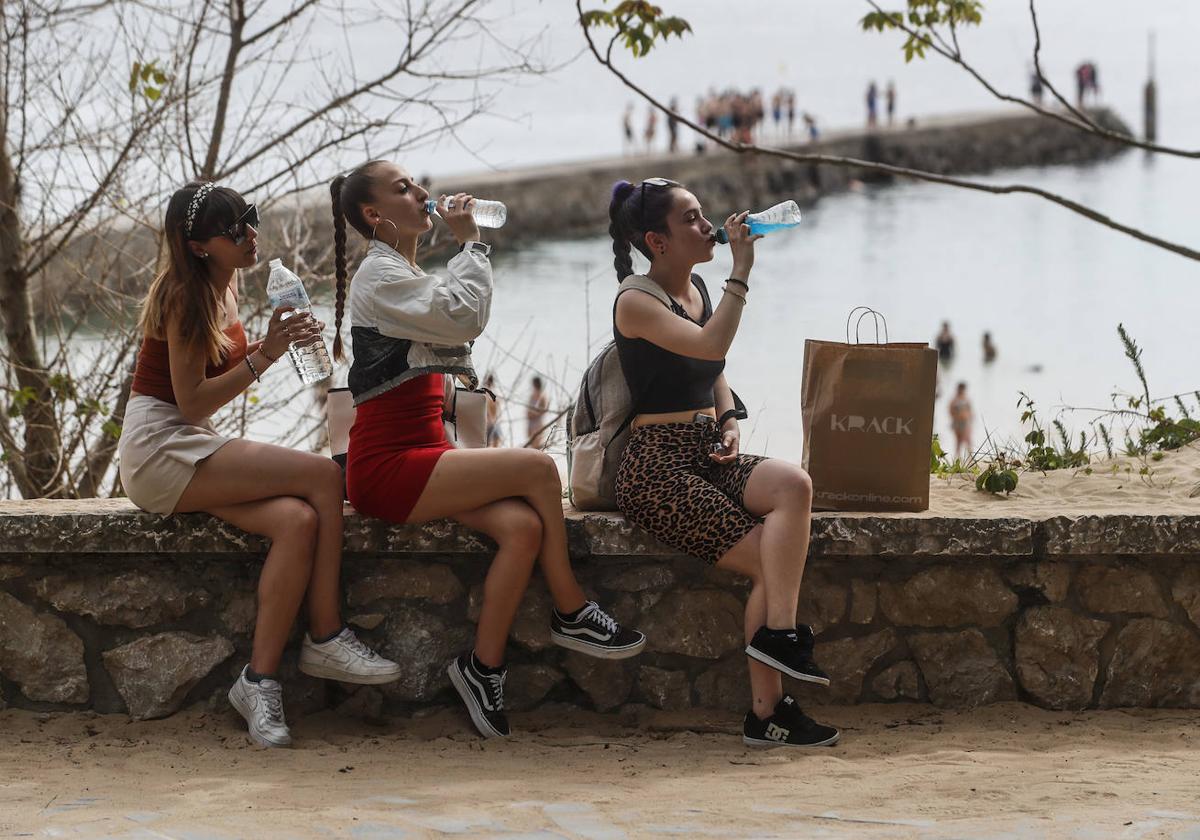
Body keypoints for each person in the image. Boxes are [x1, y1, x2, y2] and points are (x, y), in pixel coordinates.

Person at [329, 161, 646, 739]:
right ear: (374, 216)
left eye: (415, 183)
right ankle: (571, 608)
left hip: (427, 457)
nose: (422, 193)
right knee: (535, 467)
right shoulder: (379, 278)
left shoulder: (400, 270)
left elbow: (450, 326)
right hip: (389, 466)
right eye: (403, 189)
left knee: (523, 530)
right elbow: (463, 317)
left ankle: (482, 667)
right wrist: (471, 242)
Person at [118, 181, 400, 749]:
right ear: (199, 246)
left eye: (251, 217)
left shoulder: (223, 286)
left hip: (187, 441)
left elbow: (204, 401)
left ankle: (258, 682)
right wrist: (268, 352)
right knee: (323, 475)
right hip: (159, 445)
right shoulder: (182, 295)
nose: (251, 233)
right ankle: (326, 633)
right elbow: (191, 400)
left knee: (296, 522)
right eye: (234, 229)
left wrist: (282, 341)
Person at [607, 177, 839, 748]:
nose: (706, 224)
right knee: (770, 559)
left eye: (701, 212)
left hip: (706, 451)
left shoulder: (699, 290)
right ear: (657, 242)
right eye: (690, 218)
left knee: (794, 484)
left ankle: (778, 650)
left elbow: (711, 370)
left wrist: (729, 418)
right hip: (656, 470)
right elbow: (710, 346)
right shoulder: (635, 301)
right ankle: (769, 709)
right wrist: (742, 270)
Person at [949, 382, 974, 463]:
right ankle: (958, 460)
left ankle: (969, 459)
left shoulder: (965, 398)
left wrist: (970, 420)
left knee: (968, 441)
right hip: (958, 423)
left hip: (965, 422)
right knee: (959, 442)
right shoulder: (955, 399)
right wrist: (957, 416)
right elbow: (950, 410)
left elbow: (970, 411)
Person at [525, 375, 550, 448]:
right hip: (531, 423)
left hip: (537, 424)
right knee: (531, 444)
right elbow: (528, 409)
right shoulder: (532, 395)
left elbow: (544, 410)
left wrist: (534, 414)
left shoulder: (542, 396)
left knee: (536, 445)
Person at [484, 373, 503, 447]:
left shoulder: (489, 393)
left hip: (492, 422)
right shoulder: (487, 393)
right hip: (490, 422)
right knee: (491, 443)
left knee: (495, 440)